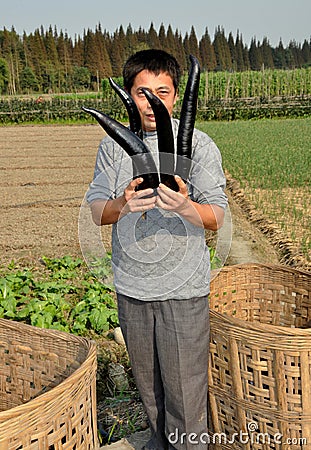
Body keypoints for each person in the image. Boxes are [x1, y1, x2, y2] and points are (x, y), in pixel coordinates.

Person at [86, 49, 227, 449]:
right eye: (141, 91)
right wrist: (122, 204)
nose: (151, 101)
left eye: (161, 92)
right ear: (129, 96)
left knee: (185, 398)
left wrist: (186, 206)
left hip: (183, 290)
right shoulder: (113, 149)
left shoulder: (198, 145)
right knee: (150, 395)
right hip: (132, 288)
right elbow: (97, 211)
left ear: (176, 96)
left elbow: (218, 216)